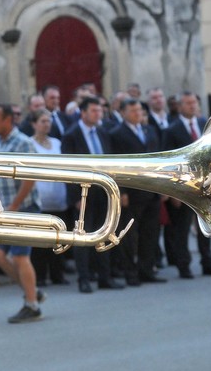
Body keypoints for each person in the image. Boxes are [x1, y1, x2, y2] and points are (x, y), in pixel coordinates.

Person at [0, 103, 45, 323]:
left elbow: (30, 178)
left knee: (20, 256)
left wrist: (15, 204)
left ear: (8, 120)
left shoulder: (23, 142)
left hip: (23, 207)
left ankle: (32, 305)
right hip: (5, 208)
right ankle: (33, 291)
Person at [61, 97, 123, 293]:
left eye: (100, 111)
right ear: (83, 113)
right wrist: (75, 198)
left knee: (104, 233)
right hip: (83, 194)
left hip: (103, 192)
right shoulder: (71, 135)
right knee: (82, 238)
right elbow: (67, 169)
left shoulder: (103, 132)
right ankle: (84, 279)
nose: (99, 114)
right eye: (94, 111)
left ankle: (105, 277)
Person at [162, 92, 211, 279]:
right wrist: (173, 192)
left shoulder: (205, 125)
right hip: (184, 187)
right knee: (181, 229)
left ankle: (208, 263)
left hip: (207, 185)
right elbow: (169, 162)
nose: (192, 106)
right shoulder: (171, 130)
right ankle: (184, 266)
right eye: (187, 103)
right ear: (180, 106)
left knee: (207, 226)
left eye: (194, 103)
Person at [109, 99, 166, 285]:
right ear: (123, 112)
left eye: (139, 110)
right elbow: (115, 165)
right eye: (132, 110)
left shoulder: (150, 130)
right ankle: (130, 273)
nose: (137, 113)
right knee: (129, 235)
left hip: (152, 190)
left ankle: (146, 270)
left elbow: (158, 159)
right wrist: (122, 191)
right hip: (132, 193)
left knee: (150, 233)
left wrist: (163, 186)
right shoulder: (116, 134)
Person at [28, 109, 68, 287]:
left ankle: (57, 273)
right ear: (34, 124)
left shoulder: (57, 143)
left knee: (59, 238)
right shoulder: (29, 144)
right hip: (40, 198)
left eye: (49, 121)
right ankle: (40, 275)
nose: (47, 124)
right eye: (43, 121)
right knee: (40, 240)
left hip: (59, 196)